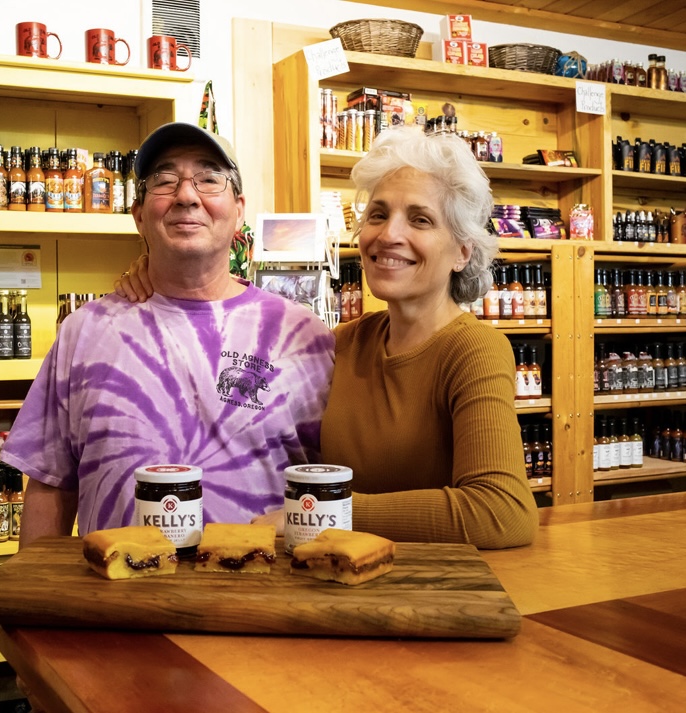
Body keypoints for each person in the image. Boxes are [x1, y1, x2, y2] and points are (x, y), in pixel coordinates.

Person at [118, 126, 537, 548]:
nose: (388, 234)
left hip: (428, 594)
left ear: (463, 251)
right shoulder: (339, 344)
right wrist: (158, 273)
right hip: (342, 583)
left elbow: (501, 512)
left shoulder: (473, 350)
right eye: (378, 214)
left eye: (420, 219)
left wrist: (320, 510)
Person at [0, 122, 335, 547]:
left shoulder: (303, 337)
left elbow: (332, 491)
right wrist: (33, 606)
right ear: (139, 214)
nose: (187, 195)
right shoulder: (83, 332)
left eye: (210, 179)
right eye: (164, 180)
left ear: (239, 210)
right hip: (114, 602)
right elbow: (50, 486)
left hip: (260, 604)